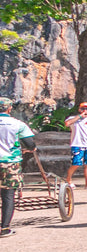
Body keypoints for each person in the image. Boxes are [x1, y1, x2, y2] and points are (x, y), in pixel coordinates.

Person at [0, 98, 37, 238]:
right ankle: (4, 228)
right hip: (10, 163)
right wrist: (30, 149)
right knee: (8, 195)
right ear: (9, 109)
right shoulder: (18, 124)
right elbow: (29, 144)